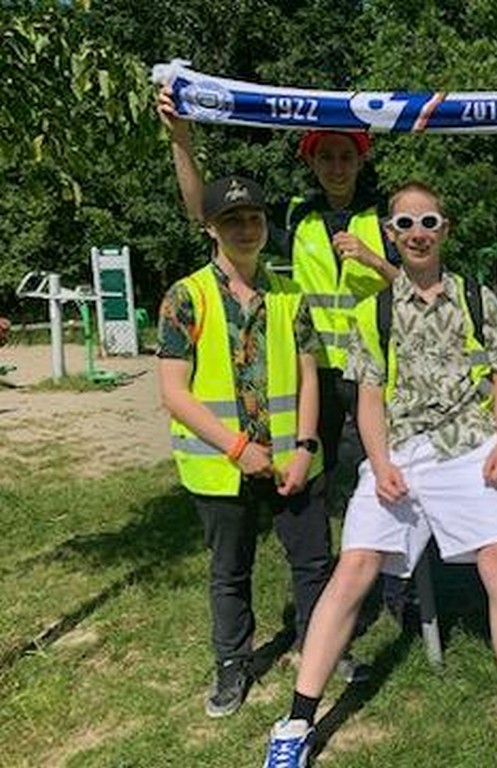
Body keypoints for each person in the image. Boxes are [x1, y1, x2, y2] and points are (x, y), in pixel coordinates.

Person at [263, 181, 497, 768]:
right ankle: (295, 722)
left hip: (470, 449)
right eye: (406, 224)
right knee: (353, 569)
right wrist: (382, 462)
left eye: (429, 222)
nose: (418, 233)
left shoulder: (478, 299)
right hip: (401, 454)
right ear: (390, 234)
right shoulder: (375, 310)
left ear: (445, 229)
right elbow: (369, 398)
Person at [158, 89, 413, 671]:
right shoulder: (294, 215)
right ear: (312, 162)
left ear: (361, 160)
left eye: (346, 156)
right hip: (315, 373)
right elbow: (207, 211)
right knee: (310, 505)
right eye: (326, 157)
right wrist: (181, 138)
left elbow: (420, 280)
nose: (337, 166)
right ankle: (307, 633)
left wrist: (375, 260)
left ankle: (401, 592)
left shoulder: (386, 213)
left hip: (374, 372)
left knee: (393, 481)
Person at [156, 175, 332, 717]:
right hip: (221, 466)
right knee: (230, 570)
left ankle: (322, 649)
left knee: (312, 562)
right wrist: (237, 448)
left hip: (291, 460)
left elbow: (308, 378)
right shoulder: (186, 297)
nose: (247, 228)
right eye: (233, 220)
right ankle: (233, 663)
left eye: (254, 218)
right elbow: (174, 393)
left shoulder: (288, 295)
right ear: (211, 228)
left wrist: (305, 447)